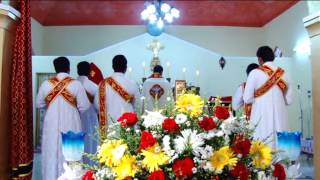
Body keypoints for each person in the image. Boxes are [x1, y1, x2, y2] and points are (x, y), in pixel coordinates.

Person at [36, 57, 90, 180]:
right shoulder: (76, 84)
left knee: (51, 153)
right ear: (68, 67)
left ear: (55, 68)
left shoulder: (46, 84)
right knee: (73, 155)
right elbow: (85, 106)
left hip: (51, 124)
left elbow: (38, 104)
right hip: (72, 123)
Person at [243, 46, 293, 148]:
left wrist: (259, 99)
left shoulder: (254, 72)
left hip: (260, 115)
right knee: (281, 147)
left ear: (260, 59)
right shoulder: (284, 74)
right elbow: (289, 100)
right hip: (280, 115)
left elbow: (247, 98)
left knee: (262, 146)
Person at [94, 55, 140, 136]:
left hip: (109, 125)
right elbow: (138, 105)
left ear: (112, 66)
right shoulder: (132, 83)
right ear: (125, 67)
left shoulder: (102, 84)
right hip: (128, 124)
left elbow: (97, 106)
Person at [77, 61, 99, 165]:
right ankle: (90, 169)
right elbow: (99, 106)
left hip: (75, 119)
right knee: (90, 144)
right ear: (89, 72)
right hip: (90, 119)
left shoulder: (71, 85)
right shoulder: (94, 86)